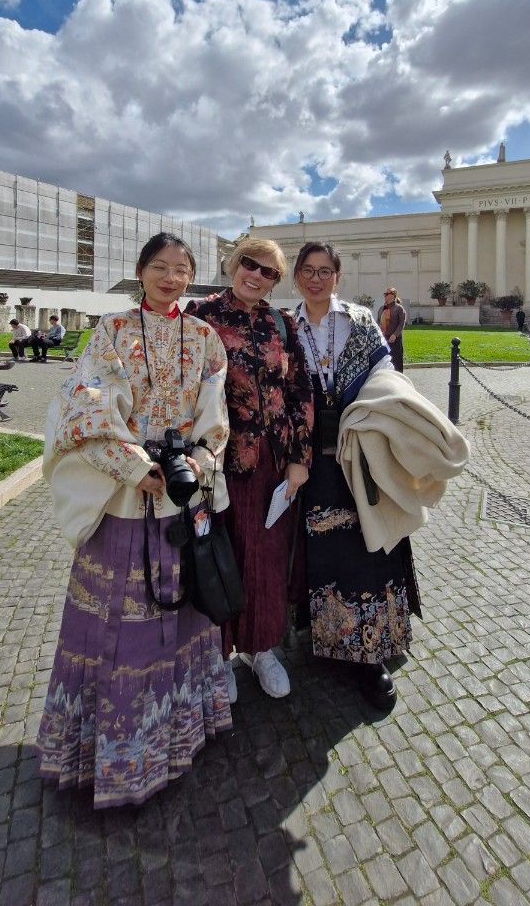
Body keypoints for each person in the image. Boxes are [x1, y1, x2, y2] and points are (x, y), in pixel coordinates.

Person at [38, 233, 232, 807]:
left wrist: (198, 459)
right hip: (127, 489)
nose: (171, 278)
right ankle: (114, 751)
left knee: (186, 609)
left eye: (181, 269)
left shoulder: (204, 337)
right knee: (118, 620)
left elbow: (214, 414)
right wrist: (133, 466)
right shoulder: (113, 331)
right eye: (160, 267)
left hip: (183, 486)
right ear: (141, 271)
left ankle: (178, 732)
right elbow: (88, 407)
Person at [292, 243, 422, 712]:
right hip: (311, 460)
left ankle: (371, 653)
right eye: (307, 270)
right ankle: (329, 639)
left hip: (359, 454)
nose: (316, 278)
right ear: (296, 276)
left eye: (324, 270)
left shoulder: (362, 321)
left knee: (372, 546)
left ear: (338, 276)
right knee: (324, 552)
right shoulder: (288, 326)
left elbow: (385, 372)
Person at [186, 238, 314, 701]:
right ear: (233, 264)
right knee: (222, 557)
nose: (256, 276)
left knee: (266, 559)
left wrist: (300, 459)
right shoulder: (200, 315)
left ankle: (261, 649)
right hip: (218, 462)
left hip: (273, 464)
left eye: (268, 273)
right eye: (250, 265)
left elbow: (300, 390)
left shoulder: (281, 324)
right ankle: (217, 656)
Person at [379, 287, 406, 372]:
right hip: (384, 340)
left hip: (395, 340)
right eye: (385, 294)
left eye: (387, 294)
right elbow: (377, 322)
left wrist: (395, 335)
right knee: (385, 363)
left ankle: (399, 382)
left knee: (397, 363)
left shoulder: (399, 308)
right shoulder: (381, 308)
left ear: (393, 295)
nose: (385, 296)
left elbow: (402, 323)